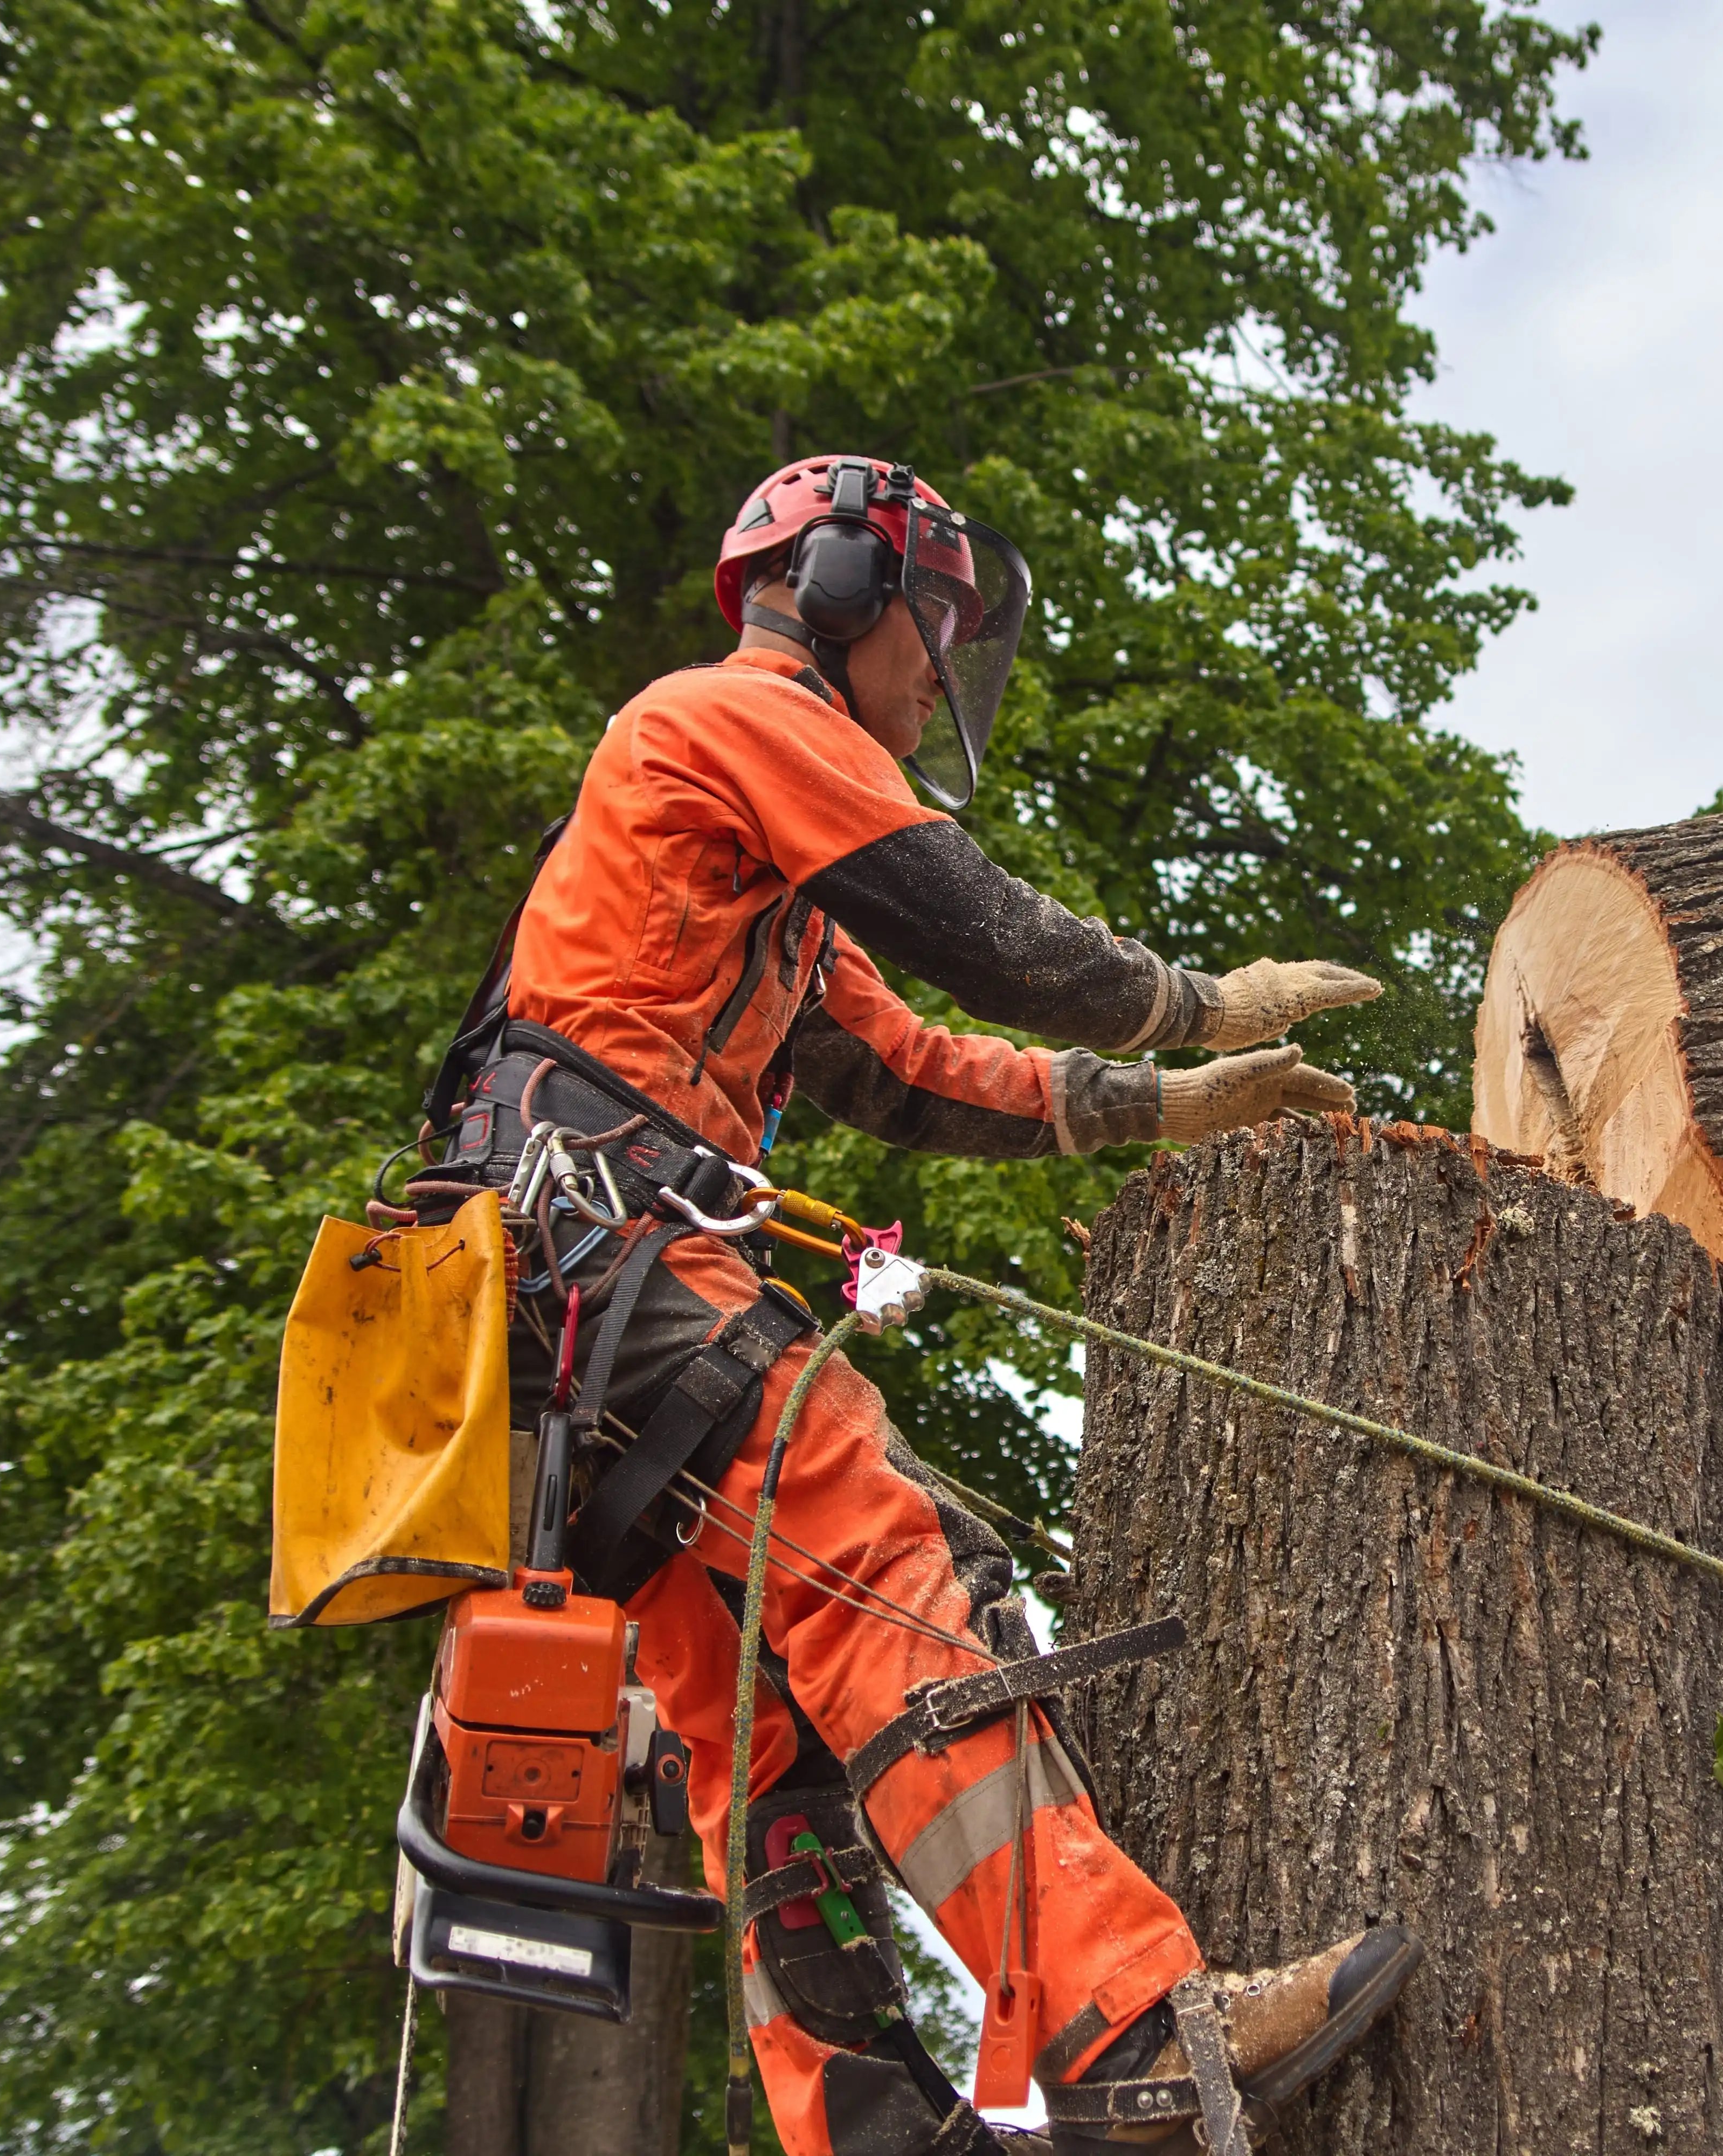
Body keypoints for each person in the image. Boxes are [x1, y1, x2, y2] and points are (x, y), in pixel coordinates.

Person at [418, 454, 1416, 2151]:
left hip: (569, 1291)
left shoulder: (776, 884)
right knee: (889, 1559)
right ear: (831, 580)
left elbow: (912, 1070)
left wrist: (1163, 1103)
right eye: (932, 618)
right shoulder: (723, 720)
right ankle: (1128, 2031)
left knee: (763, 1718)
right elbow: (981, 927)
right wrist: (1191, 1000)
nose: (940, 663)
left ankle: (870, 2132)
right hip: (604, 1247)